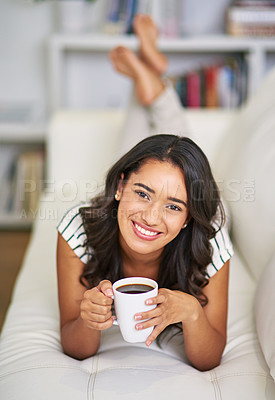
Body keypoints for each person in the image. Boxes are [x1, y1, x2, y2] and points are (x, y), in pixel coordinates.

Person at [56, 15, 233, 371]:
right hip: (124, 193)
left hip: (205, 208)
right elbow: (75, 346)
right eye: (141, 194)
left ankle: (147, 71)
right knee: (161, 154)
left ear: (187, 218)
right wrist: (87, 320)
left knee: (174, 155)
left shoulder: (210, 239)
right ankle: (151, 72)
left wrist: (194, 315)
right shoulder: (79, 226)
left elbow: (209, 358)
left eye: (173, 206)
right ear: (120, 188)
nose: (151, 217)